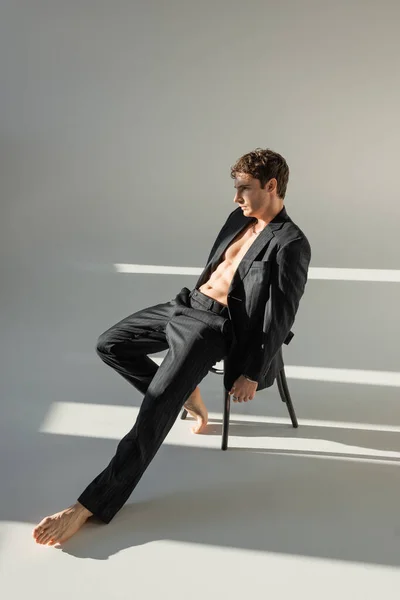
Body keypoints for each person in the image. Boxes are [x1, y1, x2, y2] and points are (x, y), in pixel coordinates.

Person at [33, 147, 311, 546]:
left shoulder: (292, 243)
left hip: (216, 327)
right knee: (110, 344)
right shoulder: (239, 217)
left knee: (155, 408)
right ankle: (188, 392)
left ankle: (88, 506)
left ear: (271, 186)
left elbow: (280, 316)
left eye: (243, 189)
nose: (236, 198)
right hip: (187, 305)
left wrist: (251, 371)